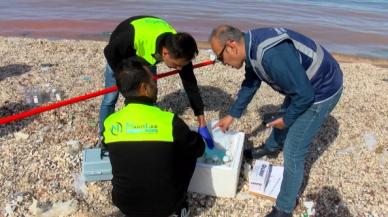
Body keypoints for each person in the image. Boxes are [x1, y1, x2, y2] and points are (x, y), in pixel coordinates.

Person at [209, 25, 343, 216]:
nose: (223, 63)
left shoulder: (270, 56)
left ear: (231, 46)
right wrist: (232, 114)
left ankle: (284, 208)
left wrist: (287, 120)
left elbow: (304, 95)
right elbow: (251, 82)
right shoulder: (249, 45)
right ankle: (271, 147)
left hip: (322, 89)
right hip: (303, 83)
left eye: (220, 58)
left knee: (294, 150)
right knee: (282, 112)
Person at [102, 58, 205, 217]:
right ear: (144, 88)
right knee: (187, 152)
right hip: (165, 205)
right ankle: (179, 208)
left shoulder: (110, 123)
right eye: (153, 81)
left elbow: (109, 147)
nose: (156, 84)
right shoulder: (169, 121)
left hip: (125, 203)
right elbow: (198, 148)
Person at [99, 15, 213, 148]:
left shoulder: (179, 48)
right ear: (165, 53)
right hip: (123, 52)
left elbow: (190, 84)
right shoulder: (133, 37)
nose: (179, 68)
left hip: (147, 54)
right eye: (177, 65)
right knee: (111, 97)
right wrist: (123, 77)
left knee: (149, 95)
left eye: (182, 65)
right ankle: (104, 137)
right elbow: (109, 51)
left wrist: (202, 121)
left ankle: (146, 130)